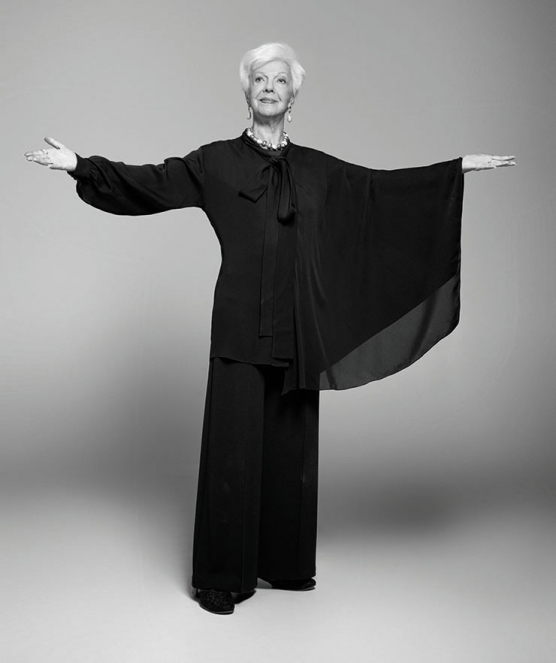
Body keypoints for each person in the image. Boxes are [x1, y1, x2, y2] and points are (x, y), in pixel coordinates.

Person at [24, 42, 516, 615]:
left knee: (289, 451)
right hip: (238, 323)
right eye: (259, 79)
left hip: (299, 326)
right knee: (231, 451)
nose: (269, 88)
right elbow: (152, 182)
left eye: (279, 80)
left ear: (292, 96)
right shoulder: (215, 162)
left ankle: (284, 564)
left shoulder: (317, 169)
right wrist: (80, 165)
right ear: (247, 91)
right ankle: (220, 577)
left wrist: (453, 171)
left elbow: (379, 191)